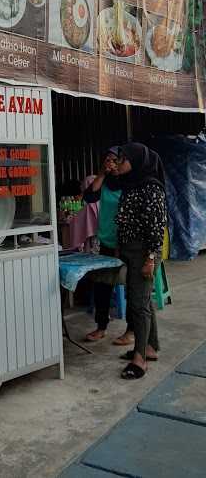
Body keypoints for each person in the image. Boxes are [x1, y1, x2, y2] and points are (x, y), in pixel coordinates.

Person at [115, 143, 167, 380]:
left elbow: (156, 228)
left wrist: (151, 259)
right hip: (129, 249)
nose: (119, 163)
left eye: (123, 159)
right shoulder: (131, 184)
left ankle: (140, 360)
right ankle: (150, 347)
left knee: (138, 304)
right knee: (143, 300)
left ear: (136, 161)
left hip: (143, 252)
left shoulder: (151, 188)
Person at [83, 147, 134, 344]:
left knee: (132, 288)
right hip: (106, 241)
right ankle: (101, 326)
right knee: (102, 285)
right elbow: (89, 197)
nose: (111, 164)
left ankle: (131, 330)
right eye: (108, 160)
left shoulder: (130, 183)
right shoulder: (104, 182)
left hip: (127, 243)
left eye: (115, 160)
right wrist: (102, 174)